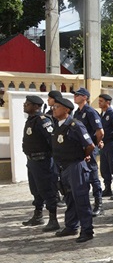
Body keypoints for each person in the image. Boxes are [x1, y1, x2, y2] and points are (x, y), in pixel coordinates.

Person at [50, 96, 96, 243]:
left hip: (76, 166)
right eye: (53, 107)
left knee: (81, 199)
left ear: (66, 110)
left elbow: (90, 145)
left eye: (56, 107)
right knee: (69, 199)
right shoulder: (58, 125)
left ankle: (87, 230)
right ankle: (71, 226)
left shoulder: (75, 125)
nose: (54, 109)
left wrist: (83, 157)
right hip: (63, 167)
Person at [21, 95, 59, 232]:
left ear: (36, 106)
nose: (25, 105)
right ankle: (38, 215)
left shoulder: (43, 121)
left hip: (43, 161)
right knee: (35, 189)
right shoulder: (31, 120)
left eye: (28, 103)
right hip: (32, 161)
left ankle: (53, 219)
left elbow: (52, 141)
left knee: (47, 190)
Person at [71, 87, 104, 217]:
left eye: (78, 95)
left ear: (85, 97)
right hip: (80, 149)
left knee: (93, 176)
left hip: (89, 148)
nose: (75, 97)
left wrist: (95, 144)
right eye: (75, 95)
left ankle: (99, 204)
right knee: (83, 177)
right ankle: (86, 204)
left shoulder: (90, 112)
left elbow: (100, 131)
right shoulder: (77, 113)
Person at [97, 94, 113, 201]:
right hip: (104, 145)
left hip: (111, 143)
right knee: (104, 167)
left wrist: (112, 138)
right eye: (99, 101)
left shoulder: (112, 113)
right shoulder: (102, 114)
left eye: (101, 101)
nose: (99, 103)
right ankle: (107, 188)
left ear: (108, 102)